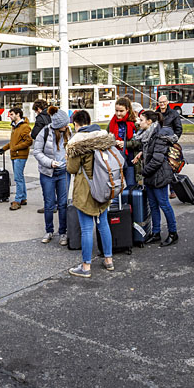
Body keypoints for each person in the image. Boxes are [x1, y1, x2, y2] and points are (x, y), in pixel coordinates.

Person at [65, 110, 115, 277]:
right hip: (104, 186)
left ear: (76, 124)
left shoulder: (77, 143)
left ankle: (86, 266)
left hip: (86, 190)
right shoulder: (103, 137)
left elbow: (71, 168)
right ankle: (108, 260)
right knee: (103, 224)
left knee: (87, 229)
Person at [135, 109, 179, 247]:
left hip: (158, 175)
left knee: (164, 205)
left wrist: (143, 171)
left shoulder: (159, 135)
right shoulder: (147, 135)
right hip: (151, 176)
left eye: (141, 120)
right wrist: (142, 154)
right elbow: (150, 152)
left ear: (149, 121)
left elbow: (157, 159)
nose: (139, 122)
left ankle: (173, 233)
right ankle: (156, 233)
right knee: (153, 205)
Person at [32, 106, 71, 246]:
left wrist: (68, 158)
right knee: (49, 204)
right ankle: (49, 231)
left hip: (63, 172)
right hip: (48, 172)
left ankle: (63, 233)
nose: (67, 126)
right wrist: (50, 163)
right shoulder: (45, 132)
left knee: (63, 204)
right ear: (58, 125)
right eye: (65, 124)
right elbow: (37, 152)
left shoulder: (68, 132)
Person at [0, 107, 33, 210]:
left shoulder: (24, 127)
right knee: (19, 177)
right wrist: (3, 149)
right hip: (15, 154)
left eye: (12, 114)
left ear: (18, 114)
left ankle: (17, 200)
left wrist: (15, 148)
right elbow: (12, 142)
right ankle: (23, 197)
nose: (10, 116)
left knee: (18, 178)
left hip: (20, 155)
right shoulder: (15, 127)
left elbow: (28, 141)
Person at [109, 97, 138, 188]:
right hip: (115, 158)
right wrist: (113, 141)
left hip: (130, 159)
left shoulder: (135, 123)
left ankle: (129, 202)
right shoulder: (112, 122)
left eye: (121, 111)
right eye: (116, 110)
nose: (118, 113)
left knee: (130, 185)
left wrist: (125, 144)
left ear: (127, 109)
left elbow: (139, 142)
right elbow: (106, 137)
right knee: (116, 186)